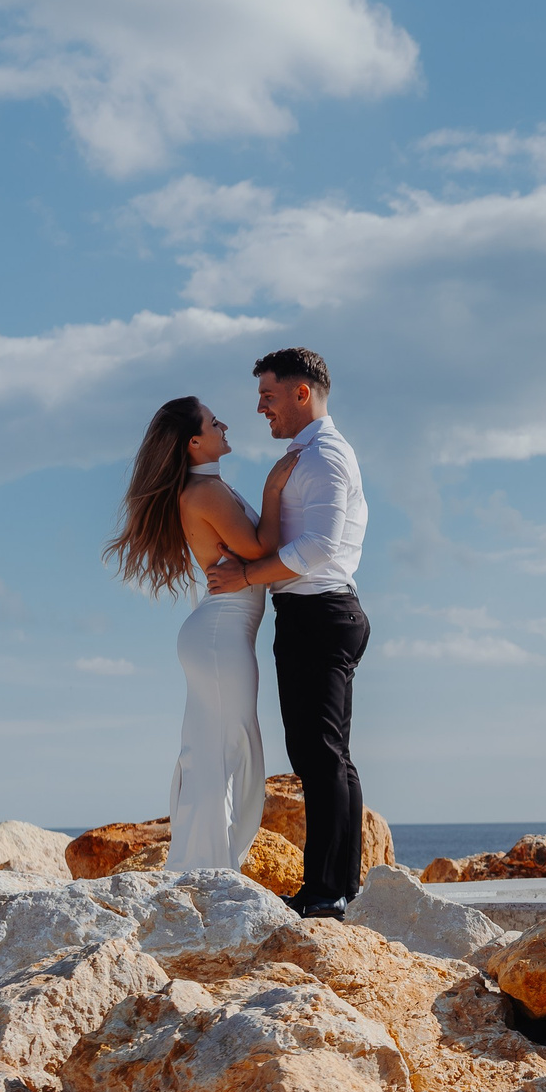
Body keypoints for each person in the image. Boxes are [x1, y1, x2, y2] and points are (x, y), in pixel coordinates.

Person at [208, 347, 370, 919]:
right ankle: (338, 886)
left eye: (268, 397)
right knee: (323, 755)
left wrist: (248, 575)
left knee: (319, 755)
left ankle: (326, 893)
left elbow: (319, 547)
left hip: (320, 614)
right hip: (313, 614)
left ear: (302, 394)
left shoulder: (324, 456)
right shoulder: (306, 456)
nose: (260, 410)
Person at [103, 396, 275, 872]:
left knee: (220, 751)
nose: (225, 425)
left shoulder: (211, 488)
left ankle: (208, 868)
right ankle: (206, 871)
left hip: (220, 633)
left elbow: (255, 555)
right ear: (195, 442)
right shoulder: (205, 494)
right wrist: (280, 485)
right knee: (221, 753)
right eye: (214, 421)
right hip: (220, 635)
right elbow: (261, 547)